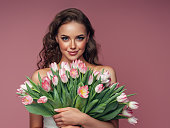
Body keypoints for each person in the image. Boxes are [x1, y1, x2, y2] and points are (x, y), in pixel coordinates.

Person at [30, 8, 119, 128]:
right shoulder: (41, 77)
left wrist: (82, 119)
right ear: (56, 38)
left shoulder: (104, 74)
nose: (72, 46)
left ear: (88, 37)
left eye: (79, 38)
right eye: (65, 38)